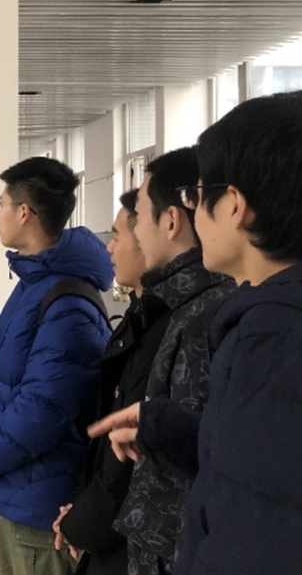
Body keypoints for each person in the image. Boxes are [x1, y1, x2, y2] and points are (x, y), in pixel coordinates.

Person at [91, 91, 302, 575]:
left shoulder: (274, 337)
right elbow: (273, 469)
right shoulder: (292, 318)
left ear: (235, 206)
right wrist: (171, 429)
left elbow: (260, 533)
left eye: (198, 197)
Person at [0, 156, 113, 575]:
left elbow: (41, 411)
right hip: (18, 488)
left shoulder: (66, 303)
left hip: (42, 509)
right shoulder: (35, 283)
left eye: (1, 204)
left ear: (24, 212)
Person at [108, 148, 234, 575]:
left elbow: (195, 466)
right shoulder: (182, 303)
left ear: (172, 220)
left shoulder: (206, 312)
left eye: (140, 216)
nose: (135, 232)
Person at [53, 190, 169, 575]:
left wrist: (78, 522)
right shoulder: (139, 315)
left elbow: (128, 465)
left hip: (126, 541)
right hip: (97, 519)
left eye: (118, 234)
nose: (110, 247)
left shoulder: (168, 325)